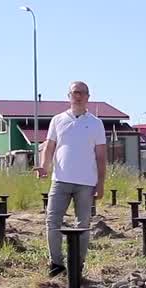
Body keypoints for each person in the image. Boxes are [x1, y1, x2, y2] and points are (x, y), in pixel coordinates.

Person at [42, 81, 107, 277]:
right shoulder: (58, 120)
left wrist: (101, 183)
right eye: (74, 93)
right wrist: (45, 165)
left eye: (82, 93)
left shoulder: (96, 123)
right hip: (60, 180)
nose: (78, 96)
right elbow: (49, 146)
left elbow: (101, 156)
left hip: (86, 183)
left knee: (83, 224)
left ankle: (77, 264)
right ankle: (56, 264)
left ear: (88, 96)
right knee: (52, 221)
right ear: (68, 96)